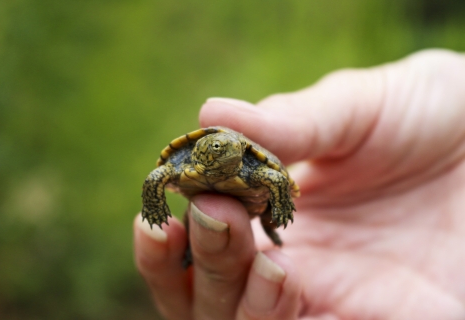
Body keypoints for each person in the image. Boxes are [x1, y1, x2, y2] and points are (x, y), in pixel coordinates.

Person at [133, 49, 465, 320]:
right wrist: (154, 203)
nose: (230, 148)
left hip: (252, 201)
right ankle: (190, 249)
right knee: (197, 223)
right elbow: (157, 175)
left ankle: (268, 226)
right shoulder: (185, 162)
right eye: (219, 147)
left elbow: (276, 177)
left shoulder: (251, 169)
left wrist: (279, 205)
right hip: (205, 198)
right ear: (202, 150)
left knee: (223, 229)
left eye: (234, 147)